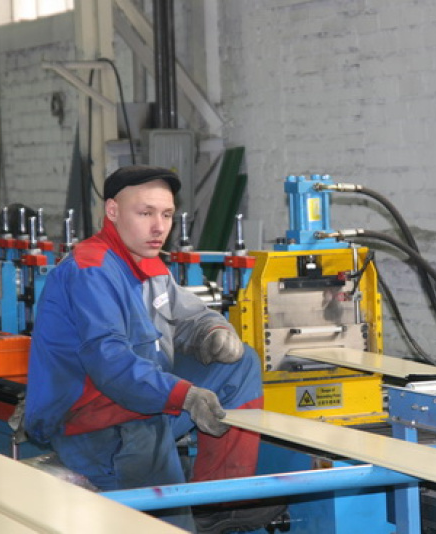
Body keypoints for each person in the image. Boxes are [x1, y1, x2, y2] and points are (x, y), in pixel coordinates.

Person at [23, 165, 286, 533]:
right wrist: (184, 395)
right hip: (96, 421)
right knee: (169, 523)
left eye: (166, 214)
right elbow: (112, 365)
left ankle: (219, 501)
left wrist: (212, 330)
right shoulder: (91, 270)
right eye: (145, 213)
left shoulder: (148, 263)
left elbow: (186, 314)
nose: (159, 227)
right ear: (113, 211)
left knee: (241, 363)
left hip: (141, 399)